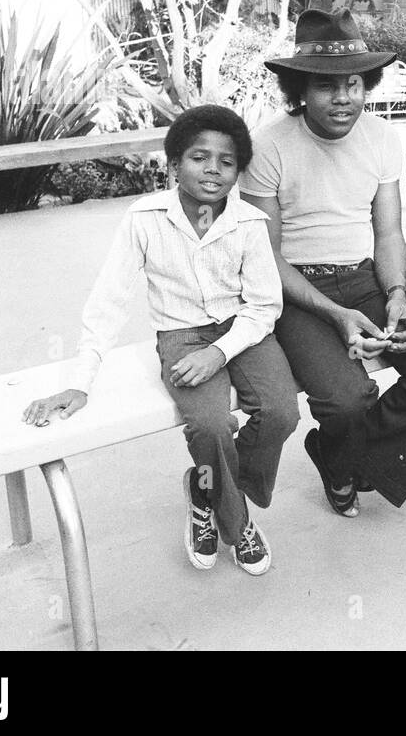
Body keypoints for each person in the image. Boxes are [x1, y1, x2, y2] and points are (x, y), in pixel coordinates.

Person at [22, 105, 295, 576]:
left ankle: (206, 486)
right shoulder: (144, 217)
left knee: (281, 412)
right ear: (173, 164)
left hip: (244, 330)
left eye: (226, 162)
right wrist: (81, 382)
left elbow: (265, 306)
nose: (213, 169)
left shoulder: (250, 223)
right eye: (198, 157)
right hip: (182, 336)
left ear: (237, 172)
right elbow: (109, 300)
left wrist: (220, 352)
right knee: (209, 426)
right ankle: (237, 521)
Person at [242, 9, 406, 522]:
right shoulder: (268, 146)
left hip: (367, 278)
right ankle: (344, 451)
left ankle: (343, 457)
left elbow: (388, 232)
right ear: (300, 88)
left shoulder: (380, 137)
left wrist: (396, 296)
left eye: (352, 83)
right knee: (348, 400)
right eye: (326, 86)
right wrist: (335, 314)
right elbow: (266, 258)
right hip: (296, 291)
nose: (343, 97)